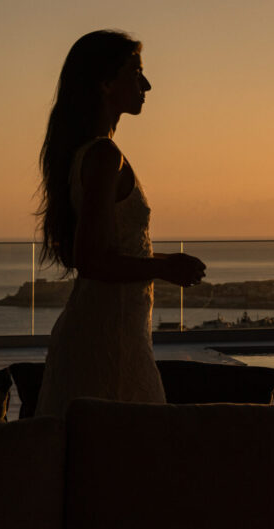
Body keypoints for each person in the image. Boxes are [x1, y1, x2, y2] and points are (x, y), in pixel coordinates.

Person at [35, 30, 206, 418]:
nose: (146, 85)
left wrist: (166, 261)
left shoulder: (88, 154)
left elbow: (106, 251)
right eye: (136, 72)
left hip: (110, 334)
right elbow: (91, 259)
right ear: (105, 83)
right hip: (108, 340)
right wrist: (163, 269)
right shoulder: (103, 156)